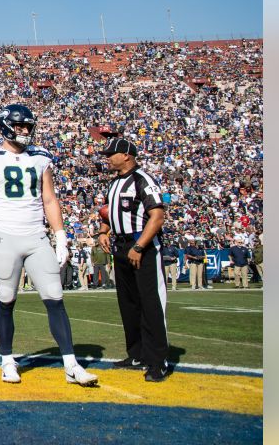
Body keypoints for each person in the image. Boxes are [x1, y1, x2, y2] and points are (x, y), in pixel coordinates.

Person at [0, 105, 98, 386]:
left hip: (36, 235)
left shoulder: (40, 157)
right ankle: (7, 361)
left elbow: (49, 199)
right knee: (6, 299)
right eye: (20, 126)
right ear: (5, 126)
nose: (25, 131)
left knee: (55, 298)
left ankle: (71, 364)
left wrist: (60, 235)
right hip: (4, 235)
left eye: (27, 126)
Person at [96, 137, 170, 382]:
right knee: (128, 304)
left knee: (151, 304)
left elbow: (157, 216)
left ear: (126, 155)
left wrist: (139, 246)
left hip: (142, 246)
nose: (107, 158)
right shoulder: (114, 183)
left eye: (111, 154)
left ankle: (158, 360)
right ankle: (136, 354)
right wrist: (103, 231)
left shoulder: (143, 180)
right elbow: (109, 211)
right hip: (121, 245)